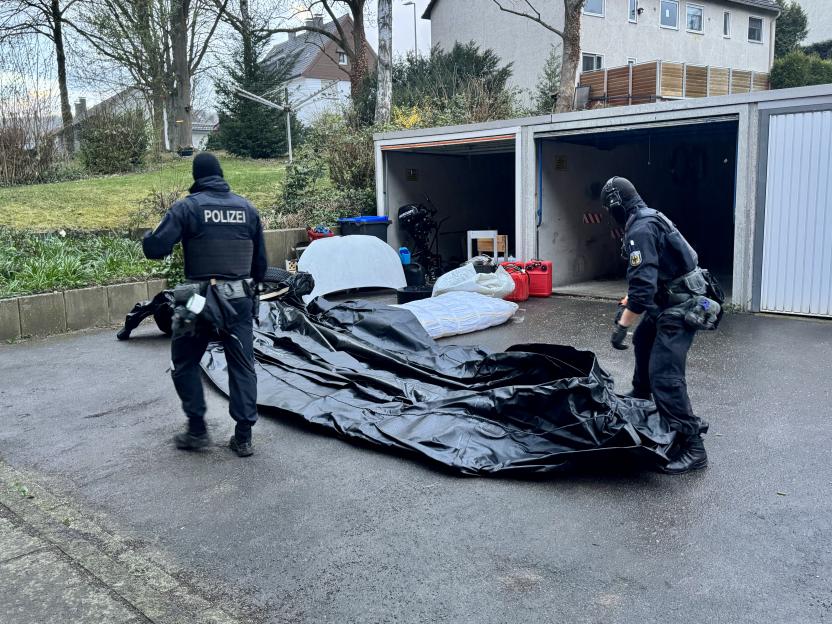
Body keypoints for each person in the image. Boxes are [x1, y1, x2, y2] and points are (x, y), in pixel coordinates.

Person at [143, 152, 267, 457]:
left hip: (196, 298)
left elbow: (156, 248)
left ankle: (197, 429)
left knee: (184, 361)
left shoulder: (188, 207)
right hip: (238, 297)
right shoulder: (247, 209)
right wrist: (253, 295)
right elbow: (260, 264)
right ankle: (244, 436)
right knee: (242, 365)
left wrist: (148, 236)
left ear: (196, 177)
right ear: (221, 174)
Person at [601, 176, 721, 475]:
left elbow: (642, 289)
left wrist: (622, 325)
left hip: (679, 307)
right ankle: (642, 399)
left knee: (664, 375)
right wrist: (635, 303)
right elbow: (654, 272)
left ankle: (693, 447)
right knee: (644, 341)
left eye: (609, 209)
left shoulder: (640, 227)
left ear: (617, 205)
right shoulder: (648, 217)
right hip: (668, 300)